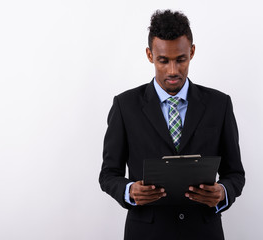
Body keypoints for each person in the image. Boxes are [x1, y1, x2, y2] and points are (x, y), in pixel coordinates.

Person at [99, 10, 245, 240]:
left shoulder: (220, 104)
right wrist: (130, 191)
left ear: (192, 52)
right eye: (163, 60)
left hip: (203, 232)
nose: (173, 71)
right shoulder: (125, 106)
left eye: (181, 59)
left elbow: (235, 173)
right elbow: (108, 174)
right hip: (147, 232)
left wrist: (222, 192)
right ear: (150, 55)